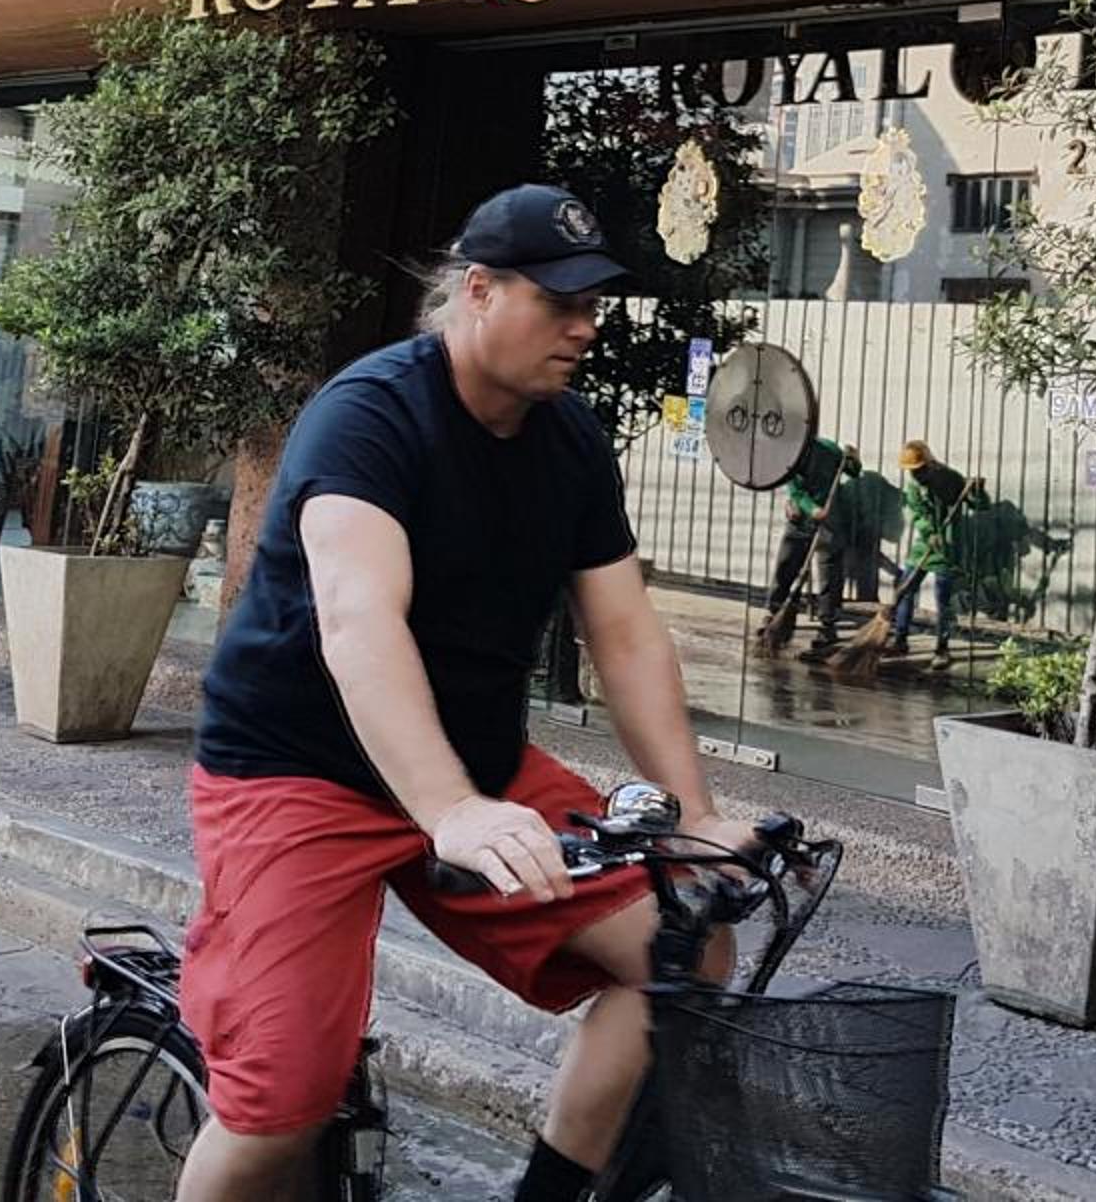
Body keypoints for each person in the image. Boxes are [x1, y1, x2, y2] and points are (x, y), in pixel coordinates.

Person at [178, 184, 762, 1202]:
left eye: (593, 307)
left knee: (686, 951)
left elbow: (624, 633)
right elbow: (358, 618)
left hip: (477, 771)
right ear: (479, 291)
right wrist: (447, 808)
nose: (585, 328)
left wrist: (697, 814)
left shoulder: (569, 440)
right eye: (561, 304)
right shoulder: (369, 416)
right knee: (282, 1104)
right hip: (299, 774)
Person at [759, 437, 860, 652]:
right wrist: (812, 509)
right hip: (801, 518)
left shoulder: (829, 450)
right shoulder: (789, 456)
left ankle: (828, 625)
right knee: (787, 564)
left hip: (831, 519)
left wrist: (853, 459)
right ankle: (774, 612)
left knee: (829, 572)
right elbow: (796, 492)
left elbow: (853, 472)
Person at [888, 439, 969, 657]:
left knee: (943, 600)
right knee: (905, 590)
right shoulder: (913, 485)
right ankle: (900, 639)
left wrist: (978, 492)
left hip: (947, 547)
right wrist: (929, 532)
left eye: (919, 470)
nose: (915, 475)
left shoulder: (951, 478)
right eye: (912, 471)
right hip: (924, 545)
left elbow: (980, 505)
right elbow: (917, 514)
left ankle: (942, 648)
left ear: (930, 464)